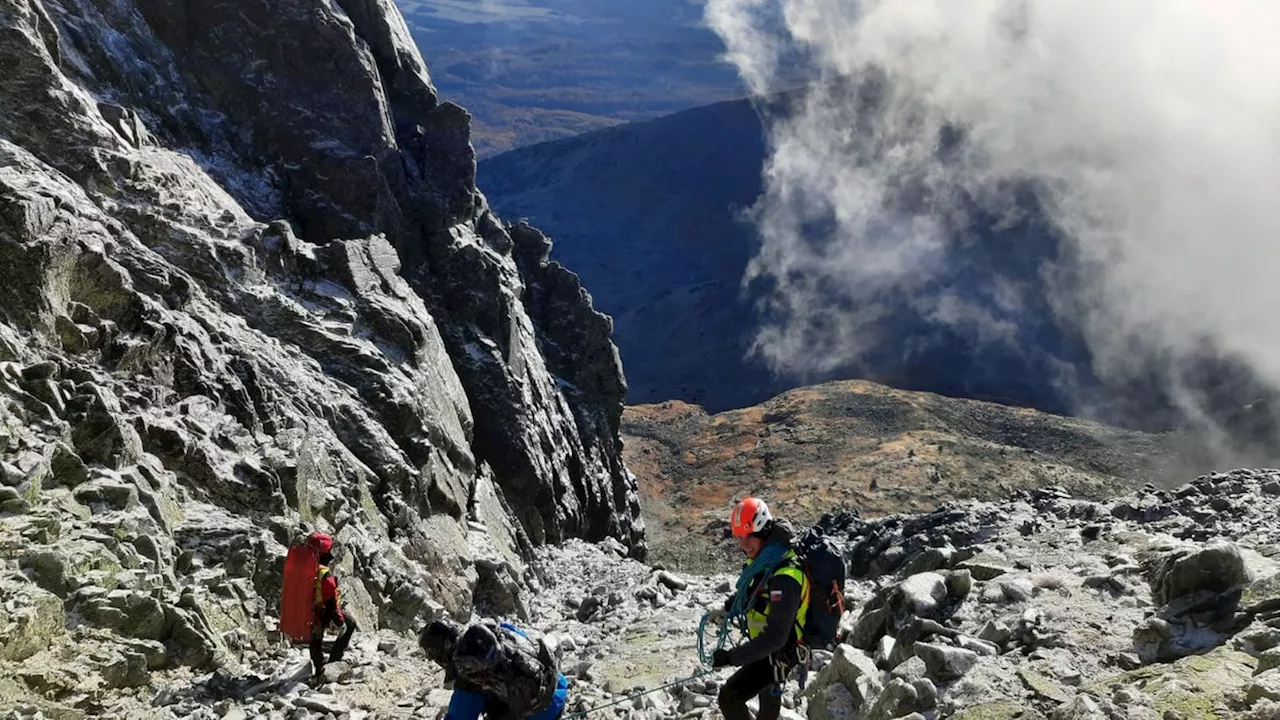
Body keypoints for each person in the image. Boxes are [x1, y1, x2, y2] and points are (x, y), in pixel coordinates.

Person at [709, 497, 810, 720]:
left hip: (779, 651)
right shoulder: (764, 559)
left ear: (763, 530)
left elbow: (775, 637)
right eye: (740, 538)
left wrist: (730, 657)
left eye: (749, 536)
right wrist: (728, 608)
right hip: (766, 647)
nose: (744, 545)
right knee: (767, 695)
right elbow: (752, 590)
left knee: (729, 697)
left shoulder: (786, 576)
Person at [420, 617, 568, 720]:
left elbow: (460, 716)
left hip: (539, 714)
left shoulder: (468, 676)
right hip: (557, 686)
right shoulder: (495, 631)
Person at [308, 532, 357, 680]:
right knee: (350, 624)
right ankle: (333, 662)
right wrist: (340, 623)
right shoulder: (325, 574)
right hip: (320, 611)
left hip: (305, 610)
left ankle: (318, 666)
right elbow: (331, 604)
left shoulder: (302, 567)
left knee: (315, 640)